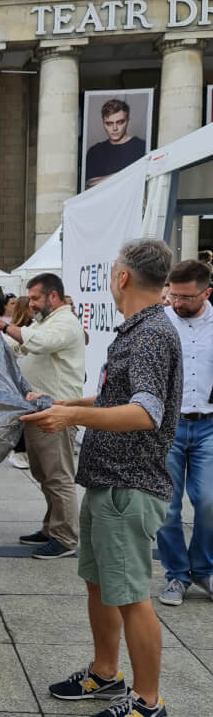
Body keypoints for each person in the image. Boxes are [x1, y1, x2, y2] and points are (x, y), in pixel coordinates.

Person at [22, 239, 181, 717]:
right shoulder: (136, 330)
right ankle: (105, 672)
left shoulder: (152, 334)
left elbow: (145, 413)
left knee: (131, 594)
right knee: (100, 585)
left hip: (128, 487)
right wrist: (62, 402)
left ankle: (147, 702)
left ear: (122, 278)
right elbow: (116, 396)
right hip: (107, 483)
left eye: (113, 270)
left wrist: (72, 414)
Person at [0, 274, 86, 559]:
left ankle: (65, 538)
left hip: (55, 410)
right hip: (38, 409)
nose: (30, 304)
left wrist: (5, 325)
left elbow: (39, 343)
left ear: (52, 296)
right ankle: (51, 528)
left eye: (34, 298)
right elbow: (20, 346)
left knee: (58, 475)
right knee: (44, 473)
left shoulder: (65, 322)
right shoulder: (46, 321)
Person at [157, 259, 213, 605]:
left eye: (186, 297)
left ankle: (204, 569)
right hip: (169, 424)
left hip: (208, 424)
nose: (177, 303)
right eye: (173, 295)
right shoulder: (161, 322)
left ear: (206, 292)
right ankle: (177, 575)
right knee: (167, 507)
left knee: (209, 501)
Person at [84, 98, 147, 189]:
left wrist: (104, 180)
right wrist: (130, 174)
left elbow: (144, 180)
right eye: (109, 123)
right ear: (103, 123)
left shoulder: (142, 147)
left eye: (120, 122)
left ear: (128, 121)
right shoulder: (95, 151)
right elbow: (89, 184)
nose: (114, 128)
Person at [4, 297, 34, 469]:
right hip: (19, 380)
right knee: (22, 416)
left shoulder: (36, 330)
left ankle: (22, 450)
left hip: (30, 379)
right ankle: (17, 451)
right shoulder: (15, 332)